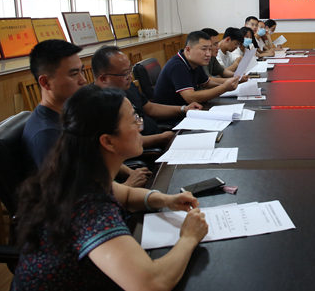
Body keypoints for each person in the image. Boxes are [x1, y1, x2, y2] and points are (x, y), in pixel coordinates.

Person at [12, 85, 209, 291]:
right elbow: (151, 284)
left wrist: (165, 199)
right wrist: (189, 237)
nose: (140, 126)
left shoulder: (77, 174)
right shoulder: (89, 207)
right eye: (133, 120)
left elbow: (127, 194)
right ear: (108, 141)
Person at [22, 40, 149, 187]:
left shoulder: (74, 112)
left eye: (81, 71)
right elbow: (70, 193)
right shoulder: (46, 135)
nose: (83, 80)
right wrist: (128, 186)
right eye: (74, 74)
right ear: (45, 82)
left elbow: (96, 157)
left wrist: (129, 172)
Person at [92, 46, 202, 147]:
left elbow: (150, 108)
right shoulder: (98, 104)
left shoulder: (127, 85)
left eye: (130, 70)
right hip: (149, 149)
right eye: (125, 73)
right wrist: (161, 138)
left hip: (160, 135)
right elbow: (123, 143)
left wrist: (184, 109)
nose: (130, 77)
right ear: (104, 79)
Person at [153, 30, 239, 106]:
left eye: (209, 49)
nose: (208, 54)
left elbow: (206, 83)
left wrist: (230, 84)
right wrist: (223, 88)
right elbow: (191, 97)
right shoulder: (177, 66)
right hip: (172, 115)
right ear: (188, 50)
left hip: (188, 109)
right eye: (204, 49)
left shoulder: (195, 62)